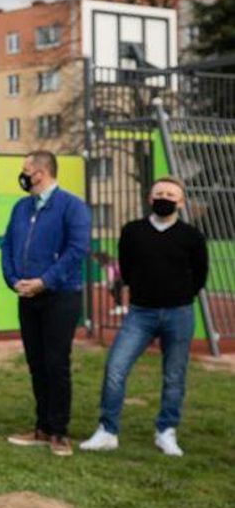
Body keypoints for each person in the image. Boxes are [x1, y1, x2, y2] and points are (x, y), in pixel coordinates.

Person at [80, 177, 208, 457]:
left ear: (181, 201)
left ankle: (166, 431)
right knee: (115, 368)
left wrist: (180, 294)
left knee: (174, 375)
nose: (165, 197)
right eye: (159, 193)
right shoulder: (132, 231)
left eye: (171, 194)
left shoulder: (192, 237)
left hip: (179, 313)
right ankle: (107, 431)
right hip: (140, 313)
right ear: (150, 199)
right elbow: (126, 267)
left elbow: (200, 275)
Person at [1, 150, 91, 457]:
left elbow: (76, 251)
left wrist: (45, 281)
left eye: (25, 169)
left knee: (56, 363)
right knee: (36, 363)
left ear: (40, 173)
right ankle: (40, 427)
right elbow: (9, 246)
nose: (23, 175)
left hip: (60, 295)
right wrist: (13, 280)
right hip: (27, 296)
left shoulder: (72, 206)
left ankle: (58, 431)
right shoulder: (21, 207)